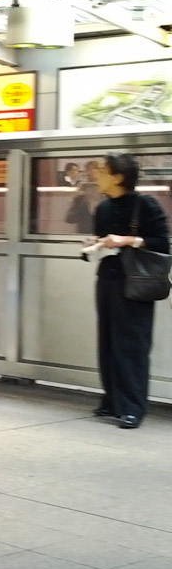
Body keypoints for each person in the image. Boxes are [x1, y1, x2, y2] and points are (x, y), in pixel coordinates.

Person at [88, 153, 169, 429]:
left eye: (102, 170)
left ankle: (133, 407)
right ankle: (111, 400)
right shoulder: (103, 208)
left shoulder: (145, 204)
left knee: (132, 345)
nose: (96, 175)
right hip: (109, 279)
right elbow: (102, 240)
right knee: (108, 341)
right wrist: (94, 244)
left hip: (136, 282)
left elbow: (162, 242)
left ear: (118, 177)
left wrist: (127, 240)